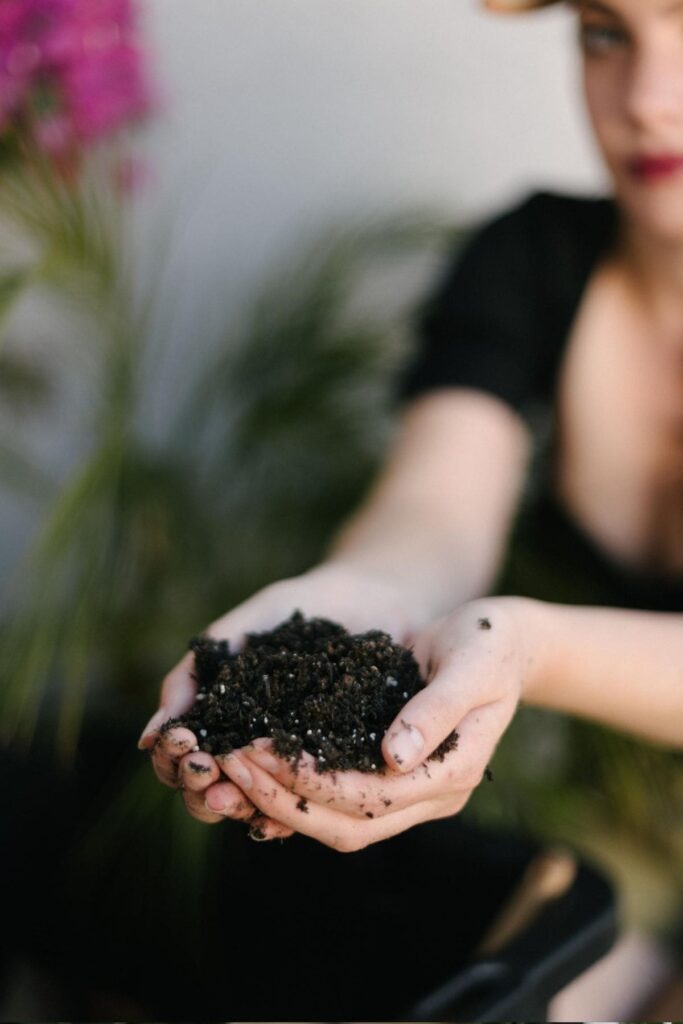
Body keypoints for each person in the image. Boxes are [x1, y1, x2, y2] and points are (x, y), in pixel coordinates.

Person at [140, 0, 683, 851]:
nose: (646, 99)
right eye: (604, 32)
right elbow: (436, 506)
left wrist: (533, 647)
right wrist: (362, 597)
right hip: (603, 840)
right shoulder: (531, 259)